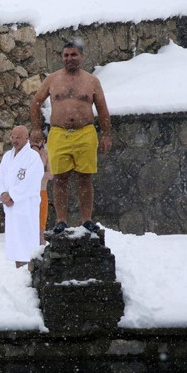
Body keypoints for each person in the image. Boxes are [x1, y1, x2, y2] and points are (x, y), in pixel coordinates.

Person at [30, 39, 112, 234]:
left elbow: (102, 108)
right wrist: (35, 128)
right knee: (60, 178)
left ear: (82, 56)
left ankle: (86, 220)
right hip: (59, 132)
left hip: (85, 132)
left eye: (73, 54)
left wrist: (106, 134)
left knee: (85, 177)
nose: (69, 58)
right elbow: (36, 102)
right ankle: (61, 220)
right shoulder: (52, 79)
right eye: (66, 55)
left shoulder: (91, 81)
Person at [0, 125, 44, 268]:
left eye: (18, 137)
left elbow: (31, 181)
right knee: (15, 243)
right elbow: (1, 178)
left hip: (26, 205)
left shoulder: (33, 157)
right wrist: (3, 194)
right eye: (13, 137)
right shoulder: (7, 156)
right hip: (11, 207)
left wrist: (13, 195)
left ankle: (30, 269)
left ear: (27, 138)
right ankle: (18, 272)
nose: (15, 140)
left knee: (28, 242)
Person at [30, 128, 53, 245]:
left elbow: (51, 174)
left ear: (43, 141)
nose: (34, 142)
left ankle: (41, 239)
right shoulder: (25, 155)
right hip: (29, 193)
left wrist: (40, 174)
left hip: (41, 190)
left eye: (37, 140)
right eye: (32, 139)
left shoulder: (46, 154)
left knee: (41, 219)